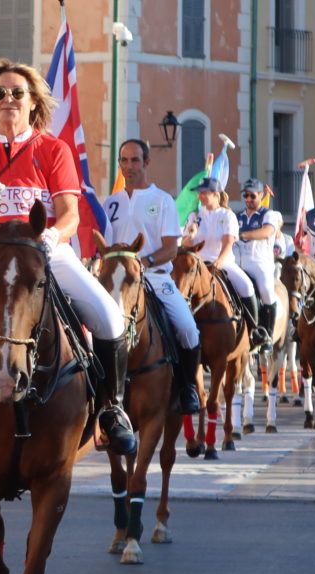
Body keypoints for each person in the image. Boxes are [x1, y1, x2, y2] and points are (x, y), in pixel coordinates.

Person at [0, 59, 136, 466]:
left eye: (18, 92)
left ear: (33, 101)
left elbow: (70, 212)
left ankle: (111, 407)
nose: (8, 100)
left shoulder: (54, 149)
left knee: (109, 317)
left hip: (45, 253)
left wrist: (52, 236)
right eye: (0, 93)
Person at [101, 139, 201, 412]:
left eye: (135, 160)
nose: (128, 166)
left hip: (155, 277)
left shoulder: (162, 200)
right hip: (116, 283)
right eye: (124, 160)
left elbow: (171, 247)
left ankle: (187, 387)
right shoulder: (110, 203)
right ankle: (97, 395)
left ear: (147, 163)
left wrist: (144, 262)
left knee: (188, 329)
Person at [186, 178, 262, 344]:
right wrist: (190, 234)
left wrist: (219, 262)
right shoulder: (194, 216)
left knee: (247, 286)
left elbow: (228, 243)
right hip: (198, 265)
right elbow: (185, 244)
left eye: (204, 193)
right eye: (199, 193)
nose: (200, 196)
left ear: (215, 194)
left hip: (222, 263)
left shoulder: (227, 215)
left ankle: (254, 331)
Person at [235, 178, 282, 347]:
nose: (248, 199)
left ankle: (267, 334)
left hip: (259, 263)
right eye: (245, 195)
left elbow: (267, 231)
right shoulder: (237, 216)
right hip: (237, 263)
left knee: (267, 291)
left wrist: (243, 235)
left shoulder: (267, 214)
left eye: (252, 196)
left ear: (261, 195)